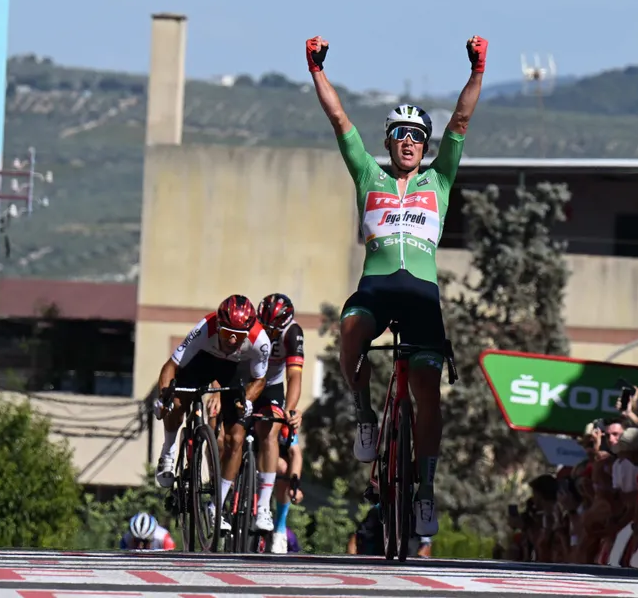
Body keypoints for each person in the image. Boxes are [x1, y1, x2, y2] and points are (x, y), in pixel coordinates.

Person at [307, 33, 486, 537]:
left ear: (425, 146)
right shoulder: (370, 177)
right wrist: (317, 71)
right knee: (350, 331)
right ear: (388, 143)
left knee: (428, 392)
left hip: (422, 296)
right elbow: (340, 121)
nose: (409, 142)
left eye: (417, 136)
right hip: (378, 287)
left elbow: (460, 121)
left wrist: (477, 71)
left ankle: (424, 490)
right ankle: (365, 412)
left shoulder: (439, 181)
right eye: (400, 135)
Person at [153, 294, 272, 532]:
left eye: (239, 336)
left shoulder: (260, 341)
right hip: (202, 362)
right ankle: (168, 450)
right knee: (178, 401)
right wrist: (164, 397)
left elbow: (259, 380)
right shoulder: (204, 328)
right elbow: (171, 366)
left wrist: (247, 400)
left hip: (235, 370)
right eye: (227, 334)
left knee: (236, 439)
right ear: (218, 327)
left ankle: (217, 505)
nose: (232, 340)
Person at [253, 293, 305, 536]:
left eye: (274, 329)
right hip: (245, 378)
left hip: (271, 386)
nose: (268, 332)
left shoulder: (292, 333)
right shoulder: (252, 325)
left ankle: (267, 510)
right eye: (265, 327)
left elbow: (294, 375)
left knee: (273, 431)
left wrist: (290, 408)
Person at [271, 420, 304, 554]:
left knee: (283, 467)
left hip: (274, 460)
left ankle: (280, 529)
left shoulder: (283, 423)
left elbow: (296, 454)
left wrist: (294, 487)